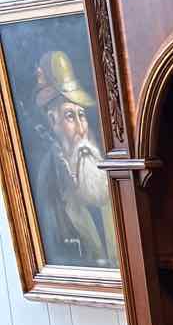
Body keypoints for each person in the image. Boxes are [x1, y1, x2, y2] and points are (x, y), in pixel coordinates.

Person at [31, 50, 114, 266]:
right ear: (53, 120)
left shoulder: (108, 165)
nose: (80, 128)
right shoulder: (49, 179)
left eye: (82, 115)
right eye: (70, 116)